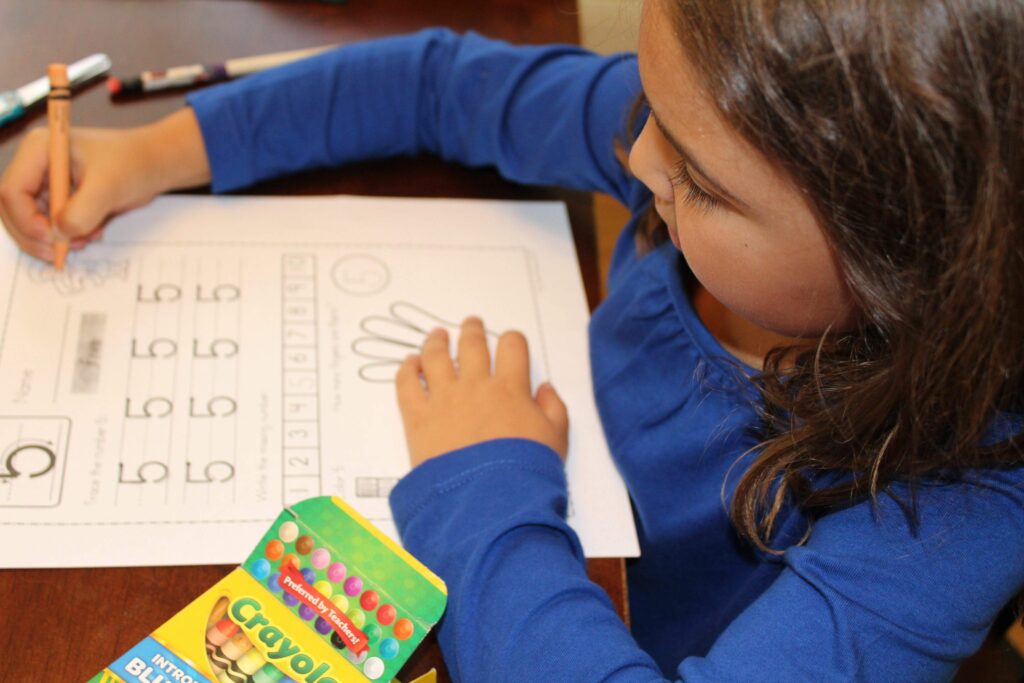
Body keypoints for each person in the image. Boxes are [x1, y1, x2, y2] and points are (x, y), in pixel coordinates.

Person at [2, 0, 1022, 679]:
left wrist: (480, 487)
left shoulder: (957, 502)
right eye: (652, 105)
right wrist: (162, 151)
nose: (633, 151)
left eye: (700, 181)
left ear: (916, 259)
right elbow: (437, 83)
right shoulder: (695, 134)